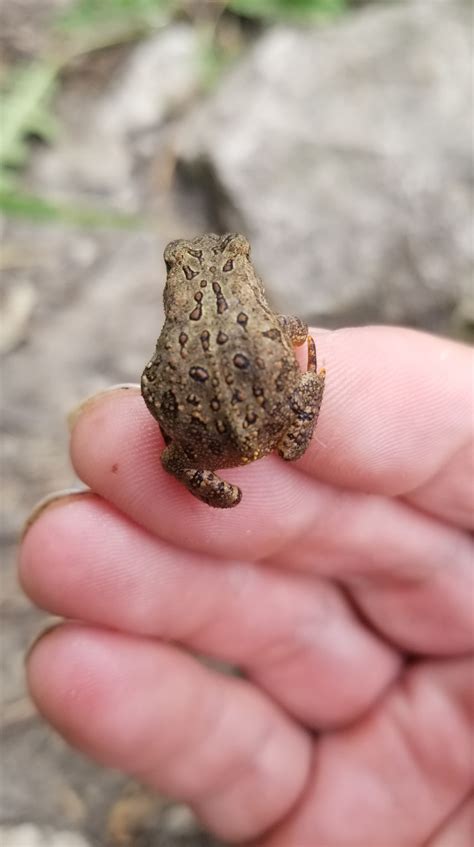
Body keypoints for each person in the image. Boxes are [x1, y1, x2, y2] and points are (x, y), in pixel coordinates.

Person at [19, 326, 473, 846]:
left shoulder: (178, 338)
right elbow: (294, 334)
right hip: (273, 427)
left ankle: (212, 481)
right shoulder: (262, 320)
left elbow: (153, 386)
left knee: (168, 458)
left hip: (209, 448)